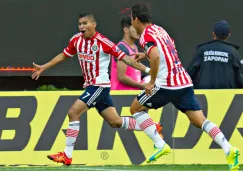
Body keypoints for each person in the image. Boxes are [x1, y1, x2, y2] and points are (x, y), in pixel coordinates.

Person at [31, 12, 162, 165]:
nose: (81, 27)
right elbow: (64, 55)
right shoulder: (76, 40)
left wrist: (148, 72)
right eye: (80, 24)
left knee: (73, 112)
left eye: (85, 23)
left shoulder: (103, 42)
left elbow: (125, 59)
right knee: (115, 122)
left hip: (98, 86)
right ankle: (152, 127)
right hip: (95, 87)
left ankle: (67, 155)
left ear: (94, 25)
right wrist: (43, 67)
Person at [129, 3, 240, 170]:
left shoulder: (145, 36)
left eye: (132, 20)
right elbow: (168, 49)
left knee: (135, 109)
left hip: (166, 84)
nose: (132, 24)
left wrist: (151, 81)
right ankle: (228, 149)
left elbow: (156, 56)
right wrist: (144, 54)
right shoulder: (160, 30)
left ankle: (160, 144)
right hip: (184, 82)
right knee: (199, 120)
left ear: (136, 19)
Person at [187, 20, 243, 89]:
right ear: (229, 34)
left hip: (203, 96)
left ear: (213, 34)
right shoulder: (233, 52)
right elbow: (240, 77)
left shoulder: (202, 50)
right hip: (228, 96)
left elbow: (190, 72)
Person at [110, 16, 144, 90]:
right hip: (122, 95)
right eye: (135, 28)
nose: (139, 31)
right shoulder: (122, 48)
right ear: (126, 30)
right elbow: (122, 77)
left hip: (133, 93)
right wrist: (142, 86)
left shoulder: (135, 47)